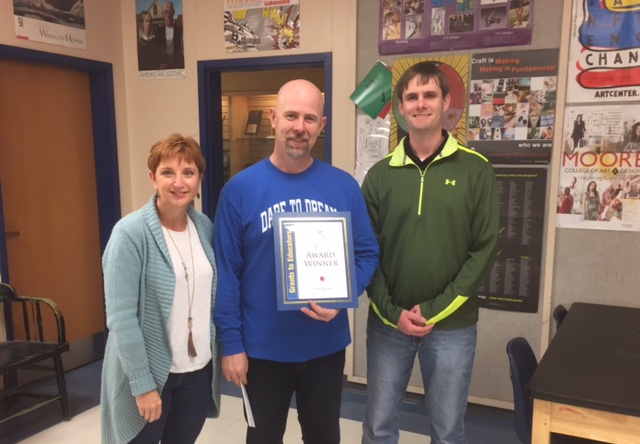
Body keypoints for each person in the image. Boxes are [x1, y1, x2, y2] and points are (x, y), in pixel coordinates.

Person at [214, 79, 379, 443]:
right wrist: (232, 345)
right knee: (262, 438)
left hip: (324, 348)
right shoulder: (238, 190)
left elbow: (367, 254)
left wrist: (341, 297)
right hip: (262, 352)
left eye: (309, 118)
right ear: (273, 118)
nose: (299, 127)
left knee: (323, 438)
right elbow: (227, 274)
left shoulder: (343, 187)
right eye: (291, 115)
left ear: (321, 126)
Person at [361, 62, 499, 444]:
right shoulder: (380, 175)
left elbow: (485, 248)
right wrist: (391, 312)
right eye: (411, 97)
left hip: (452, 327)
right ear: (401, 108)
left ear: (446, 102)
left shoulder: (477, 170)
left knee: (448, 430)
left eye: (429, 95)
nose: (420, 104)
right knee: (378, 427)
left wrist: (437, 308)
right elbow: (366, 251)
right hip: (390, 325)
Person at [101, 134, 221, 444]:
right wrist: (142, 385)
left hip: (196, 373)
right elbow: (121, 318)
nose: (178, 182)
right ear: (153, 178)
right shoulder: (129, 234)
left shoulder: (204, 227)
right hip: (151, 376)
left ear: (199, 180)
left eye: (188, 172)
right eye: (168, 172)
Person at [157, 1, 184, 69]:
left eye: (170, 11)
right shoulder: (158, 32)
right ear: (162, 14)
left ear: (174, 12)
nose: (168, 15)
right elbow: (156, 52)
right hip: (163, 68)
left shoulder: (180, 31)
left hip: (177, 67)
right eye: (165, 12)